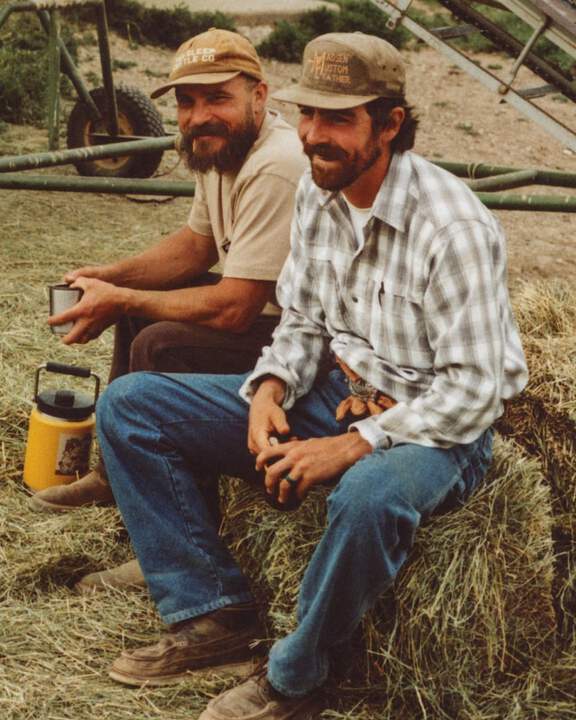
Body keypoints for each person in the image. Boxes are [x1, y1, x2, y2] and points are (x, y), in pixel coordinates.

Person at [95, 32, 528, 719]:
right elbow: (302, 322)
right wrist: (270, 389)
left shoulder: (452, 226)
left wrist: (354, 445)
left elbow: (478, 390)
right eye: (308, 115)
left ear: (390, 123)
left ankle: (295, 678)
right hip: (339, 392)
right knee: (129, 407)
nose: (314, 136)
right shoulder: (320, 194)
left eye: (338, 118)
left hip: (435, 425)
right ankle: (213, 610)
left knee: (366, 498)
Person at [29, 29, 306, 521]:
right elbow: (196, 246)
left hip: (299, 345)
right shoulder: (218, 146)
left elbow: (236, 307)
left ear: (259, 95)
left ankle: (182, 519)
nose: (199, 116)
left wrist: (123, 298)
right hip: (261, 318)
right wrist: (113, 277)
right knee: (137, 310)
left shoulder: (277, 164)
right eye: (187, 101)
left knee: (160, 344)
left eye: (218, 97)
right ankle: (116, 475)